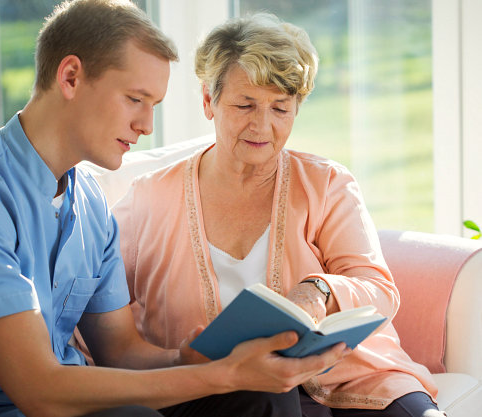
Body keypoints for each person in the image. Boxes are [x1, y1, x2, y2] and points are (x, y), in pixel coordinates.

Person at [0, 1, 349, 416]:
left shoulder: (89, 202)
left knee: (257, 395)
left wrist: (186, 358)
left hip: (92, 400)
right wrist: (217, 375)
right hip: (25, 407)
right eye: (135, 99)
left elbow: (120, 352)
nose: (147, 126)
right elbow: (39, 391)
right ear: (70, 77)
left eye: (153, 106)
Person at [112, 12, 445, 417]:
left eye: (280, 109)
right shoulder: (147, 200)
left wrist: (320, 291)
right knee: (270, 398)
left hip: (350, 378)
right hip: (225, 389)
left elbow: (378, 289)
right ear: (208, 101)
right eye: (245, 104)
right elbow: (98, 314)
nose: (262, 126)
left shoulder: (327, 184)